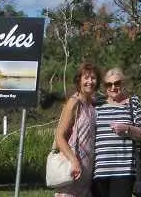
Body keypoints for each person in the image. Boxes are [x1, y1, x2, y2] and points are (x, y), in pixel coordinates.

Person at [92, 67, 141, 197]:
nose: (113, 87)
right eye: (108, 84)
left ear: (123, 83)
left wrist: (127, 128)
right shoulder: (97, 105)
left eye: (117, 83)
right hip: (99, 170)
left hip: (124, 170)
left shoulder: (133, 103)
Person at [54, 62, 100, 197]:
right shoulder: (74, 103)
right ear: (79, 80)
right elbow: (59, 136)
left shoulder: (92, 104)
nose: (90, 82)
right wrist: (73, 161)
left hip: (87, 170)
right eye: (86, 78)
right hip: (73, 168)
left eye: (93, 78)